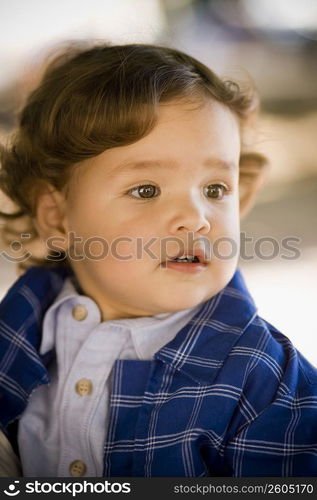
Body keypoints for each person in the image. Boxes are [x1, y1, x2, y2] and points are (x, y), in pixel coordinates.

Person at [0, 43, 316, 478]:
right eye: (146, 189)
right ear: (57, 216)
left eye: (214, 189)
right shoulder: (16, 328)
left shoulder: (266, 383)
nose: (196, 219)